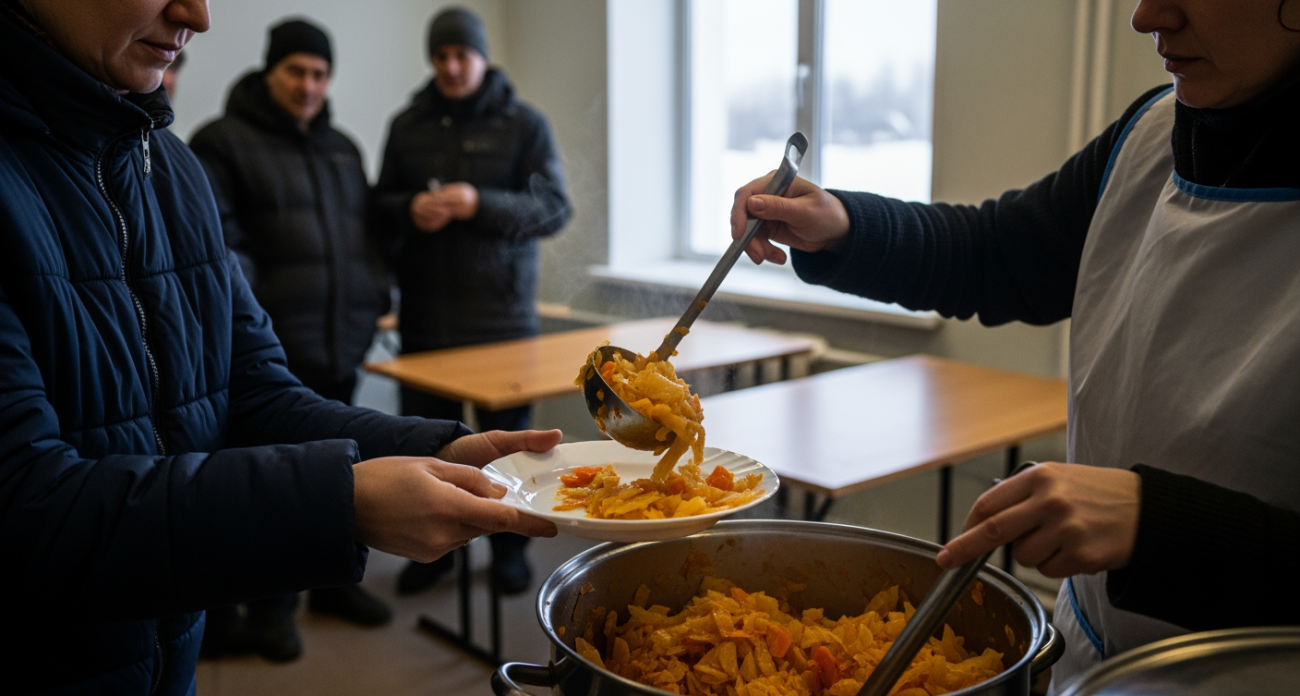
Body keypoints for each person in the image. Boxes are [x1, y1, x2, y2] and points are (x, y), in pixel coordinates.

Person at [728, 0, 1300, 689]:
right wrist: (847, 227)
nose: (1147, 18)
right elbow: (999, 254)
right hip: (1101, 655)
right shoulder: (1152, 133)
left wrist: (1160, 527)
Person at [0, 1, 558, 694]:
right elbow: (25, 509)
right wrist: (340, 500)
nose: (197, 15)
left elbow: (252, 393)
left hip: (160, 661)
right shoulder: (204, 149)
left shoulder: (166, 165)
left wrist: (428, 448)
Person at [188, 19, 395, 661]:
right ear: (269, 71)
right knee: (274, 488)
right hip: (264, 357)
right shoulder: (220, 142)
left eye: (319, 74)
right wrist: (259, 323)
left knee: (343, 478)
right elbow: (219, 250)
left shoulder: (342, 148)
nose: (308, 86)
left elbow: (362, 239)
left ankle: (332, 587)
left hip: (338, 345)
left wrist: (370, 298)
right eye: (296, 72)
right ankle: (268, 612)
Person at [374, 6, 571, 597]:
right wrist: (408, 208)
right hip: (427, 314)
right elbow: (379, 205)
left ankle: (509, 548)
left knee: (508, 446)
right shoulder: (407, 125)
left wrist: (476, 202)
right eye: (441, 57)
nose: (452, 67)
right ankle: (432, 553)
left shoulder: (524, 123)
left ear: (483, 57)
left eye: (462, 55)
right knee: (425, 439)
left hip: (501, 317)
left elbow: (555, 210)